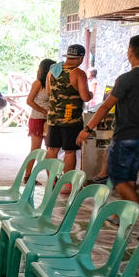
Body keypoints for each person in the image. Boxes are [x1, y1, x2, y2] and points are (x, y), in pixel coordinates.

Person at [77, 35, 139, 239]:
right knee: (130, 178)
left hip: (125, 135)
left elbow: (106, 106)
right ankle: (121, 213)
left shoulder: (124, 79)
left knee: (117, 177)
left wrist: (87, 129)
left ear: (130, 52)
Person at [46, 44, 92, 189]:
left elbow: (49, 93)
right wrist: (90, 94)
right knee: (70, 151)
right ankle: (66, 185)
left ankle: (51, 181)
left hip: (53, 118)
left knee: (52, 149)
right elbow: (85, 97)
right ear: (80, 57)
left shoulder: (51, 72)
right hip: (70, 119)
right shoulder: (78, 73)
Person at [24, 58, 56, 183]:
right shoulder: (37, 83)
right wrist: (44, 111)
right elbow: (29, 101)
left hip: (49, 120)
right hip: (37, 118)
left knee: (50, 149)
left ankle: (52, 178)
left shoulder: (53, 82)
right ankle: (27, 176)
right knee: (35, 150)